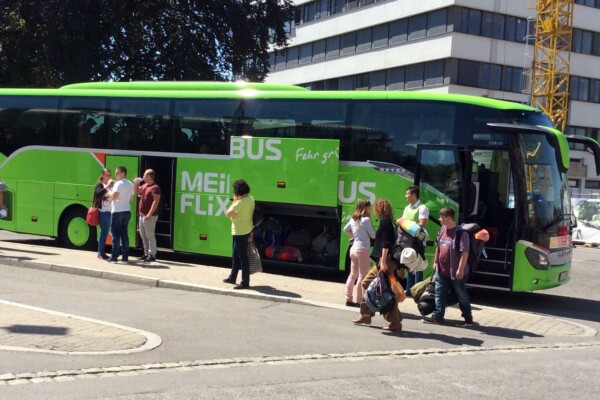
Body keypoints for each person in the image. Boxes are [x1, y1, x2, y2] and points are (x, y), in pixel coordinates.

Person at [352, 198, 402, 332]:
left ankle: (393, 322)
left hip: (385, 262)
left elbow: (386, 243)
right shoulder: (387, 221)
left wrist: (383, 261)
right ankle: (367, 314)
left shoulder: (385, 221)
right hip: (385, 261)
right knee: (379, 288)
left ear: (378, 208)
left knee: (378, 287)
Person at [423, 206, 473, 326]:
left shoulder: (461, 233)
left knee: (461, 295)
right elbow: (438, 248)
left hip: (455, 272)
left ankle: (468, 317)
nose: (440, 219)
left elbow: (464, 253)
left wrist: (460, 270)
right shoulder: (442, 230)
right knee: (439, 293)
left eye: (442, 217)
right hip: (441, 270)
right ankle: (437, 316)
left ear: (449, 218)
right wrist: (435, 262)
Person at [223, 179, 255, 290]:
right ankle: (232, 277)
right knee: (236, 255)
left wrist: (234, 200)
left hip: (239, 232)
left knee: (242, 257)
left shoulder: (239, 203)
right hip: (247, 229)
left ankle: (245, 282)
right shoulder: (250, 199)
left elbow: (228, 213)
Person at [343, 199, 376, 307]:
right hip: (362, 249)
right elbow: (373, 235)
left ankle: (348, 298)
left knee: (353, 275)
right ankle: (359, 300)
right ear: (365, 208)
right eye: (369, 207)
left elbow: (345, 229)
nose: (370, 209)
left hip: (353, 248)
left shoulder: (354, 219)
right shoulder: (366, 220)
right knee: (362, 275)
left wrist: (354, 236)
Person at [400, 186, 429, 296]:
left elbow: (422, 223)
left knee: (418, 265)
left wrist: (410, 224)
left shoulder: (422, 208)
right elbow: (403, 222)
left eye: (407, 194)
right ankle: (409, 289)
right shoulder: (407, 208)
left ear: (413, 195)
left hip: (418, 240)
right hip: (408, 239)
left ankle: (418, 290)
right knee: (409, 263)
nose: (405, 196)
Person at [107, 166, 134, 264]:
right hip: (127, 211)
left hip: (117, 211)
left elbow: (114, 197)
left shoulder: (118, 184)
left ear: (123, 173)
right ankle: (125, 257)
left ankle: (114, 257)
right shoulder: (130, 184)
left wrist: (109, 192)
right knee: (124, 234)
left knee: (115, 235)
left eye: (117, 172)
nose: (116, 174)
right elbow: (131, 199)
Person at [134, 169, 161, 262]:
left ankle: (152, 254)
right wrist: (136, 183)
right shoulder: (145, 185)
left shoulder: (155, 187)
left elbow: (156, 201)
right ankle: (146, 254)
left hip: (150, 216)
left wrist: (150, 214)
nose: (143, 176)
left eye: (144, 175)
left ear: (149, 176)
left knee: (150, 235)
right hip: (142, 215)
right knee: (143, 235)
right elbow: (137, 191)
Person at [93, 168, 113, 260]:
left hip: (110, 212)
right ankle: (100, 253)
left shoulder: (110, 185)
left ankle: (102, 252)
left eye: (109, 175)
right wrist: (108, 185)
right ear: (102, 175)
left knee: (105, 233)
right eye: (107, 174)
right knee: (103, 232)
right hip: (103, 212)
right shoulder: (99, 184)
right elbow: (99, 193)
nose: (108, 176)